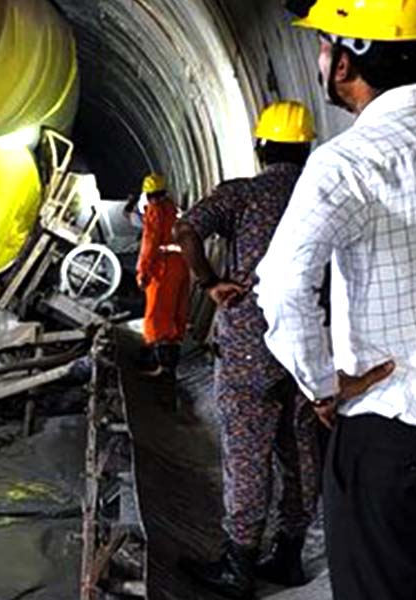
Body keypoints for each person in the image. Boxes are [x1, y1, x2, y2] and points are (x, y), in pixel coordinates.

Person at [256, 3, 416, 599]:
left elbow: (282, 285)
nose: (320, 59)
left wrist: (323, 383)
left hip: (389, 427)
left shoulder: (347, 162)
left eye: (322, 47)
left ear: (345, 62)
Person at [173, 101, 320, 599]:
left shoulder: (243, 194)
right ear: (306, 147)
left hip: (249, 344)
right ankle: (290, 553)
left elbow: (185, 228)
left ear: (260, 147)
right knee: (299, 447)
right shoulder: (321, 190)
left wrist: (209, 281)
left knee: (247, 450)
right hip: (309, 342)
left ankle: (239, 563)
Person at [135, 173, 189, 377]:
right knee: (176, 313)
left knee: (157, 315)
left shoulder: (155, 212)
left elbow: (149, 243)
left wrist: (143, 272)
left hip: (163, 266)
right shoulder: (172, 208)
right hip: (181, 263)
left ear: (148, 195)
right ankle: (171, 363)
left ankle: (162, 366)